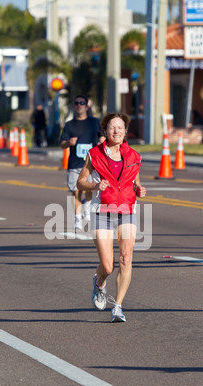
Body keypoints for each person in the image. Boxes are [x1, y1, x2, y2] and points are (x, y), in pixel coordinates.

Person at [77, 112, 146, 323]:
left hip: (127, 210)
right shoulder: (95, 154)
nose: (116, 130)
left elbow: (135, 181)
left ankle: (117, 306)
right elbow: (80, 182)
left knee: (126, 258)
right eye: (112, 127)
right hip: (102, 210)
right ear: (105, 131)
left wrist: (139, 188)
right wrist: (95, 185)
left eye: (120, 127)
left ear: (126, 131)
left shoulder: (133, 156)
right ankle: (99, 283)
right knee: (108, 266)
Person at [60, 95, 104, 229]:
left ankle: (87, 209)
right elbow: (62, 144)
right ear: (74, 106)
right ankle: (78, 219)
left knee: (90, 188)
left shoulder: (94, 122)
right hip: (74, 163)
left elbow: (101, 135)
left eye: (82, 103)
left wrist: (101, 142)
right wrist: (69, 142)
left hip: (91, 164)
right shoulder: (69, 125)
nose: (79, 105)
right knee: (76, 191)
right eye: (77, 103)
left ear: (86, 106)